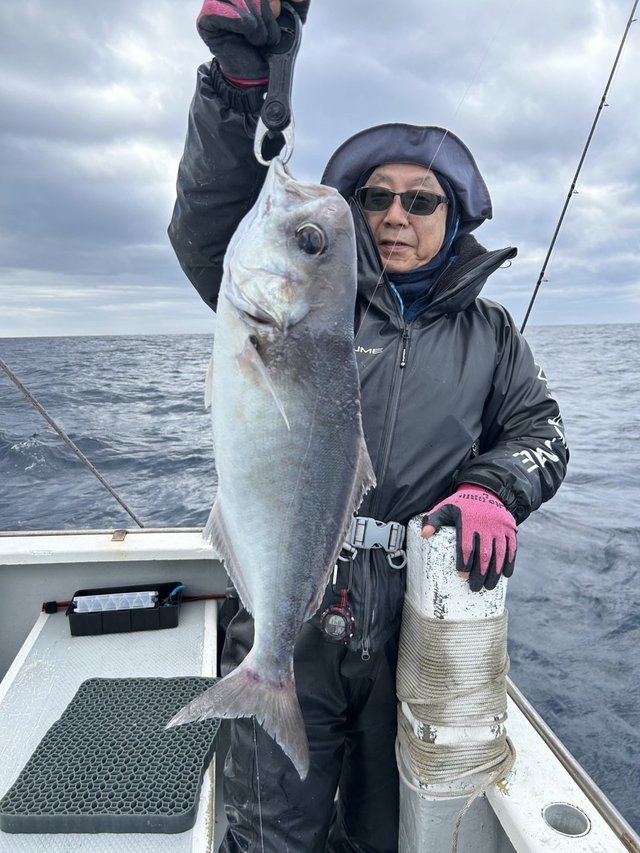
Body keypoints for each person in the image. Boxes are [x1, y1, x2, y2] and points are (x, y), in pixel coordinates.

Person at [168, 2, 569, 850]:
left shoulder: (492, 336)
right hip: (296, 620)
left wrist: (495, 489)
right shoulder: (313, 301)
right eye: (377, 197)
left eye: (420, 200)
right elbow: (209, 230)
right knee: (273, 832)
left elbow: (543, 433)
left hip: (414, 633)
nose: (394, 215)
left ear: (454, 217)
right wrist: (236, 94)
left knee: (392, 832)